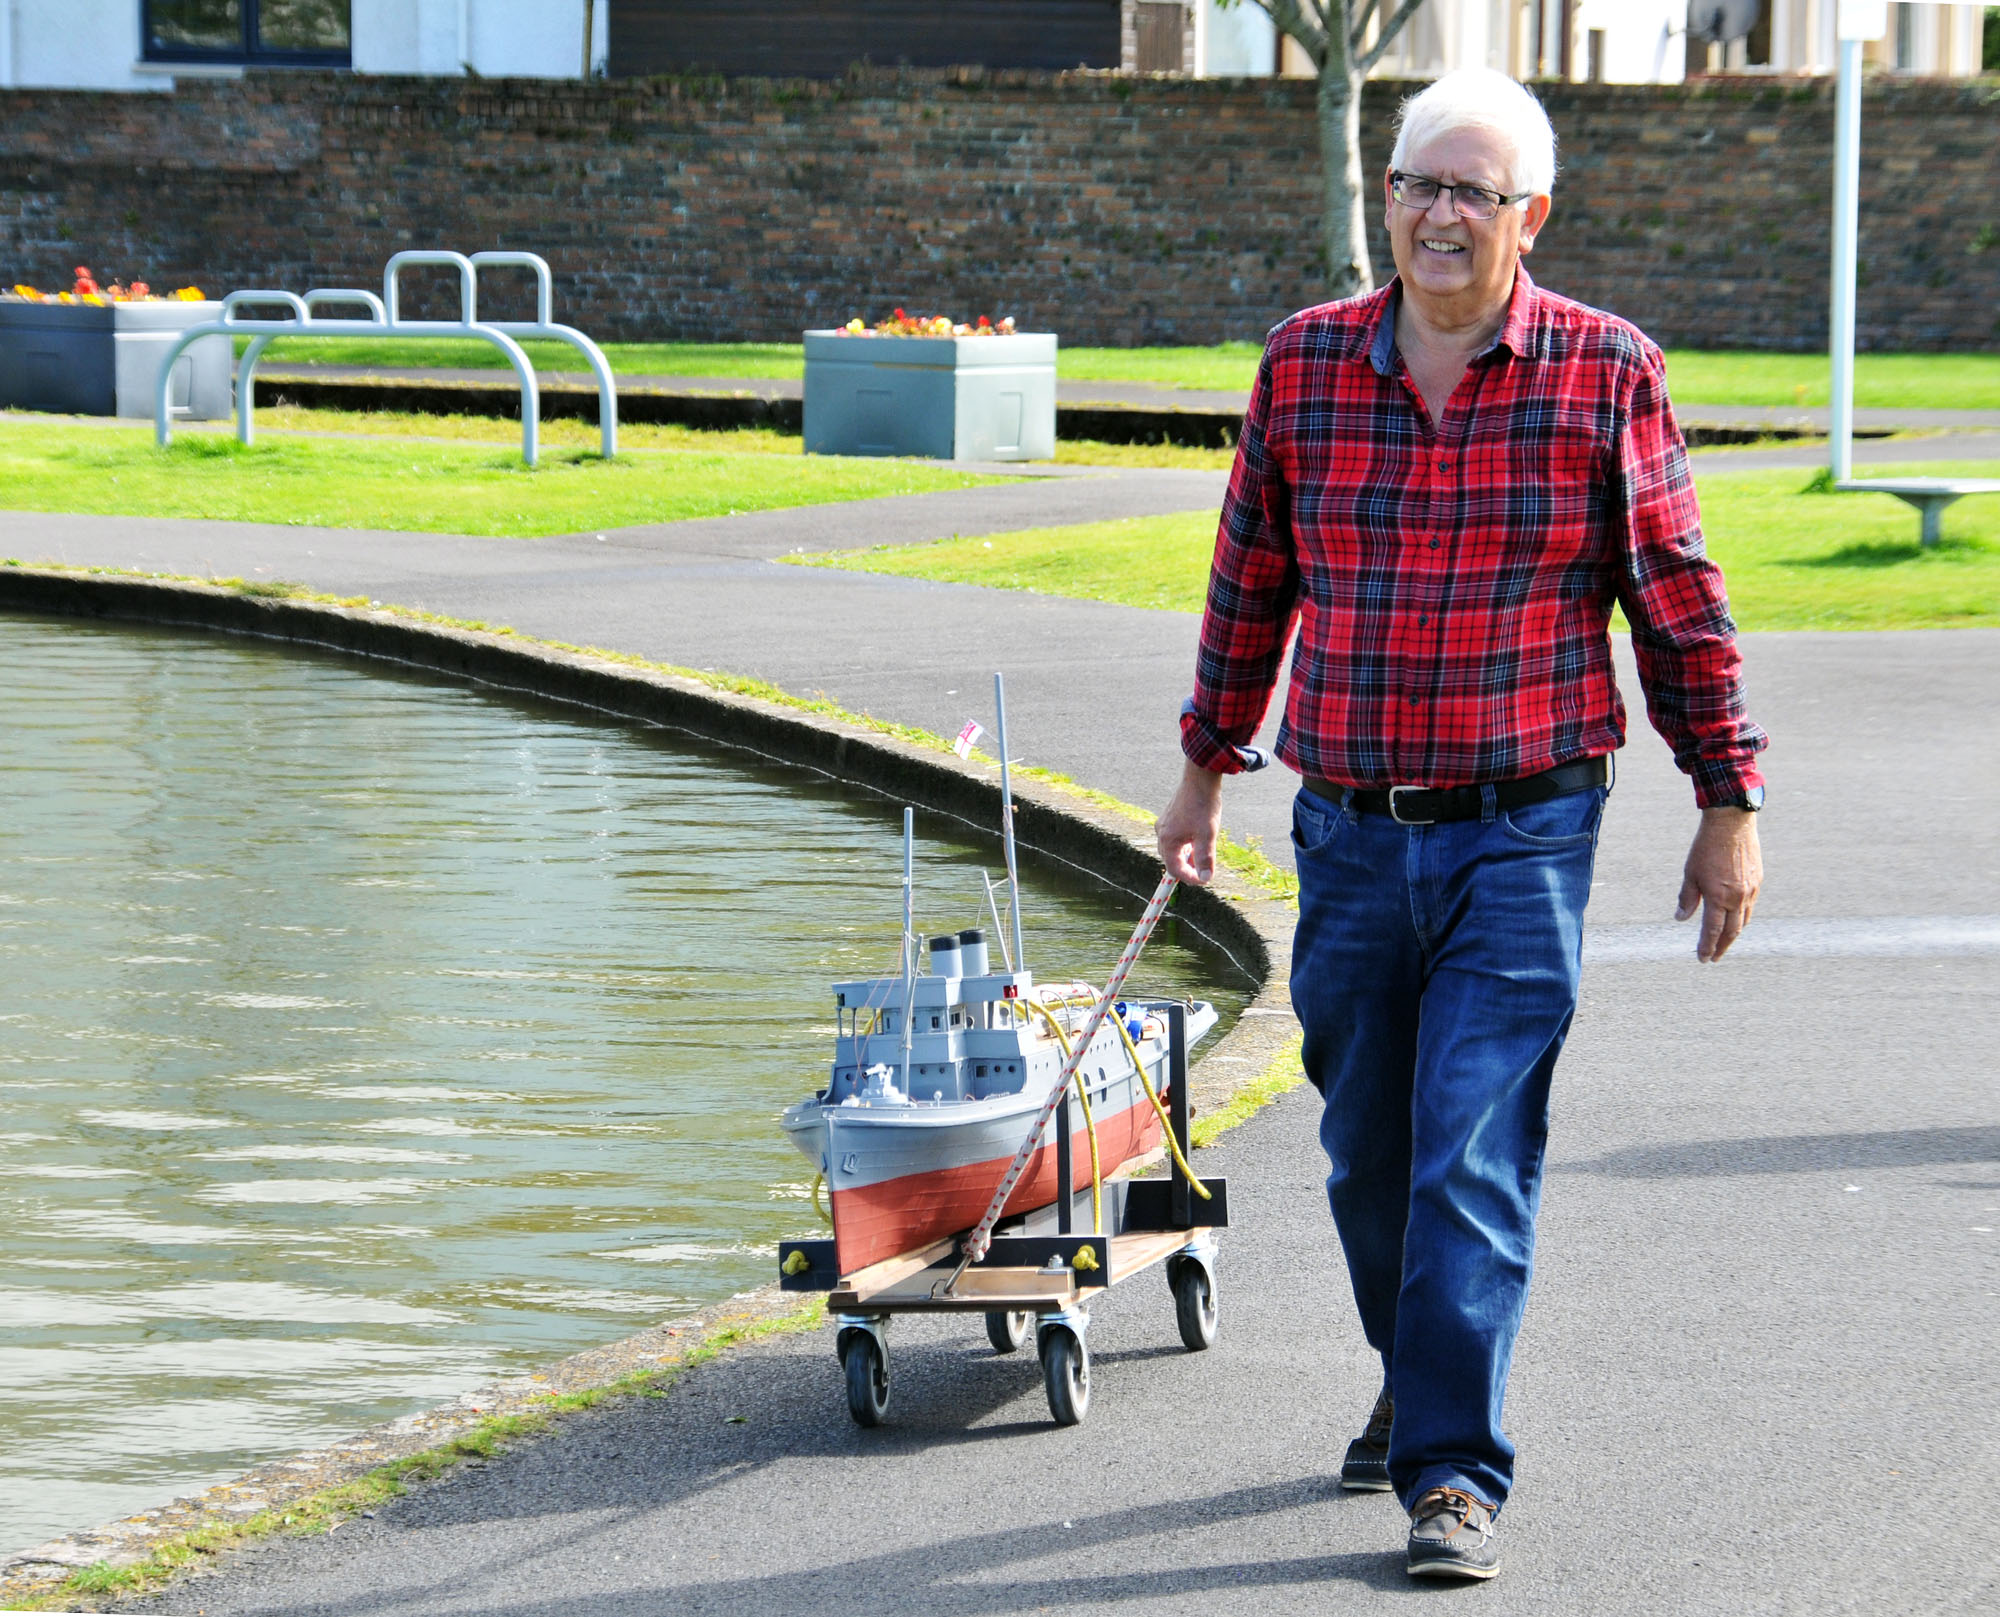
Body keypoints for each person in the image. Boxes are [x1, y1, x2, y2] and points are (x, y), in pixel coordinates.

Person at [1155, 68, 1767, 1582]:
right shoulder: (1304, 366)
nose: (1437, 214)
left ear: (1528, 218)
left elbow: (1676, 600)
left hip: (1524, 827)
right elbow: (1252, 579)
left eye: (1471, 193)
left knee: (1468, 1151)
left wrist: (1726, 799)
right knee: (1365, 1151)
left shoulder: (1604, 371)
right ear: (1389, 201)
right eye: (1418, 185)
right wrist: (1205, 767)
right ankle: (1416, 1378)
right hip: (1352, 828)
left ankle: (1451, 1471)